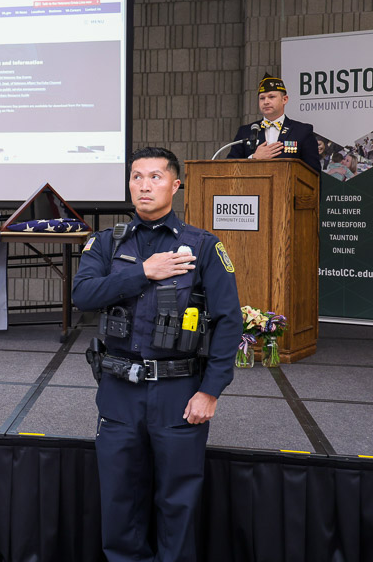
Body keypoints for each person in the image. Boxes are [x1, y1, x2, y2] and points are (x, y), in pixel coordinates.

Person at [73, 147, 242, 561]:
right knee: (119, 501)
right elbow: (83, 294)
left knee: (177, 501)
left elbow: (228, 322)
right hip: (118, 389)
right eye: (136, 177)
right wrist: (143, 271)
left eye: (155, 177)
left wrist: (211, 390)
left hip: (178, 392)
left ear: (175, 184)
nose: (144, 185)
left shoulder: (202, 246)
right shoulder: (106, 243)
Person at [227, 73, 321, 173]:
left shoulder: (302, 131)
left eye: (271, 97)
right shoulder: (245, 131)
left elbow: (314, 173)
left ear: (284, 99)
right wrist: (253, 158)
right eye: (262, 98)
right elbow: (229, 167)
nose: (266, 102)